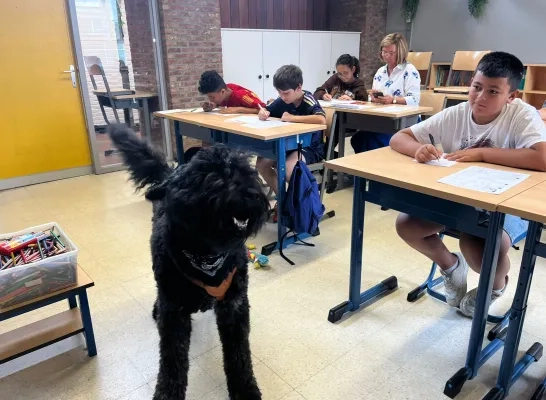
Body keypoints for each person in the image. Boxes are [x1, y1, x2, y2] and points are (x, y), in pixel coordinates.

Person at [390, 51, 546, 317]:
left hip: (506, 204)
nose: (480, 97)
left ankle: (493, 288)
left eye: (493, 92)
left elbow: (542, 158)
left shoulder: (522, 115)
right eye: (477, 87)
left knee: (481, 249)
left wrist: (482, 153)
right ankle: (451, 267)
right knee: (407, 225)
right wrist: (418, 149)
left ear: (512, 96)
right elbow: (399, 138)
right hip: (460, 199)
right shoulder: (458, 113)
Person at [256, 65, 326, 222]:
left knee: (288, 169)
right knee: (261, 163)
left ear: (299, 87)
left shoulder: (308, 99)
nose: (282, 96)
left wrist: (293, 118)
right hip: (289, 145)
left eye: (286, 93)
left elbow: (322, 119)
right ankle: (284, 202)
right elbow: (267, 110)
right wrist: (263, 112)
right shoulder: (283, 100)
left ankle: (303, 206)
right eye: (279, 92)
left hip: (310, 148)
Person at [351, 33, 421, 153]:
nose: (387, 56)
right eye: (384, 52)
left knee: (369, 139)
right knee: (358, 138)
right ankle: (364, 170)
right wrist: (373, 97)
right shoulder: (380, 72)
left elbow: (414, 100)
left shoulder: (409, 71)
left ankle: (375, 169)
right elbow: (375, 95)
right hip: (383, 120)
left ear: (400, 52)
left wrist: (393, 100)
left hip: (405, 123)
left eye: (391, 53)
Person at [198, 70, 266, 114]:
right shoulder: (226, 89)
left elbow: (264, 109)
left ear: (222, 92)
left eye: (212, 97)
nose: (210, 100)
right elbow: (224, 102)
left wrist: (239, 109)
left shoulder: (241, 95)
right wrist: (214, 105)